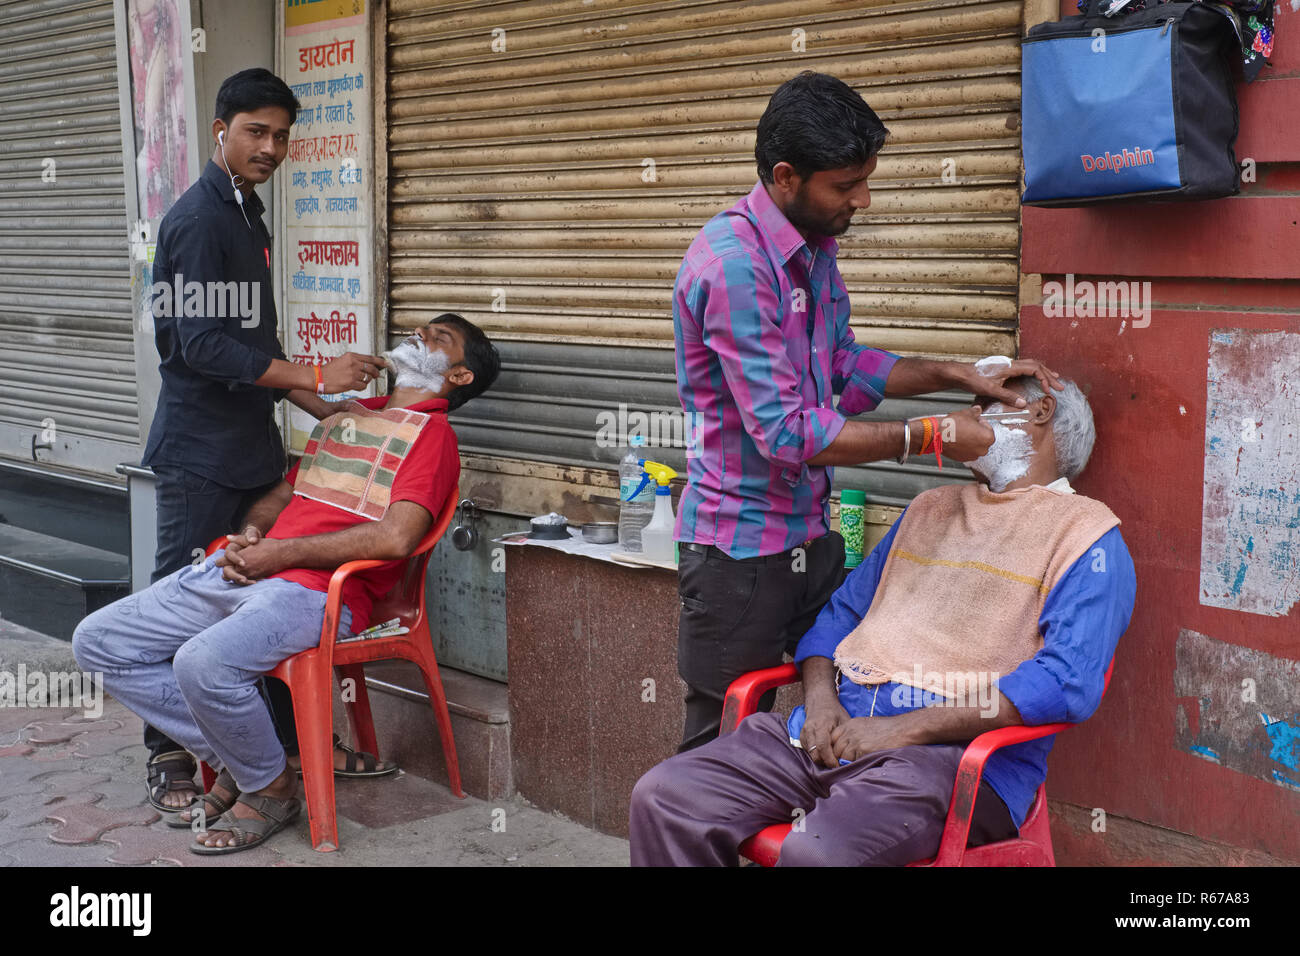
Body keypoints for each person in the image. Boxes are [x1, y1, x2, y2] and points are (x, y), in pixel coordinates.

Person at [671, 71, 1066, 753]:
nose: (865, 199)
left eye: (866, 179)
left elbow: (845, 369)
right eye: (847, 185)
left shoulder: (813, 251)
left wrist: (951, 373)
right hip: (740, 557)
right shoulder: (737, 268)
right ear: (787, 177)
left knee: (827, 714)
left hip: (808, 539)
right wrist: (935, 437)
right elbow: (789, 432)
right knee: (716, 752)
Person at [629, 375, 1136, 866]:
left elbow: (1065, 681)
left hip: (946, 761)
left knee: (818, 853)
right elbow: (839, 616)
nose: (966, 419)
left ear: (1040, 411)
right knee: (665, 799)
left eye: (982, 406)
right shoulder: (929, 509)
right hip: (829, 732)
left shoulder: (1087, 538)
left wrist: (904, 729)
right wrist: (821, 701)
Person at [74, 315, 501, 854]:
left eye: (440, 338)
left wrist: (280, 554)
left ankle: (270, 788)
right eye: (422, 328)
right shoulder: (351, 417)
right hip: (259, 569)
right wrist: (253, 534)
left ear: (459, 377)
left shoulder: (433, 437)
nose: (420, 333)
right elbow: (283, 496)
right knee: (98, 642)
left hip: (318, 593)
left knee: (202, 663)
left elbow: (396, 538)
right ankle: (250, 760)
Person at [138, 68, 389, 810]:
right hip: (199, 457)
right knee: (172, 603)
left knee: (252, 601)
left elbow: (259, 345)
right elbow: (199, 349)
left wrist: (324, 411)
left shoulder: (247, 212)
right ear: (222, 130)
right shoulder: (197, 220)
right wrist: (319, 369)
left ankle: (281, 747)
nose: (271, 147)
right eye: (256, 131)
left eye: (282, 135)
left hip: (251, 453)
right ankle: (169, 760)